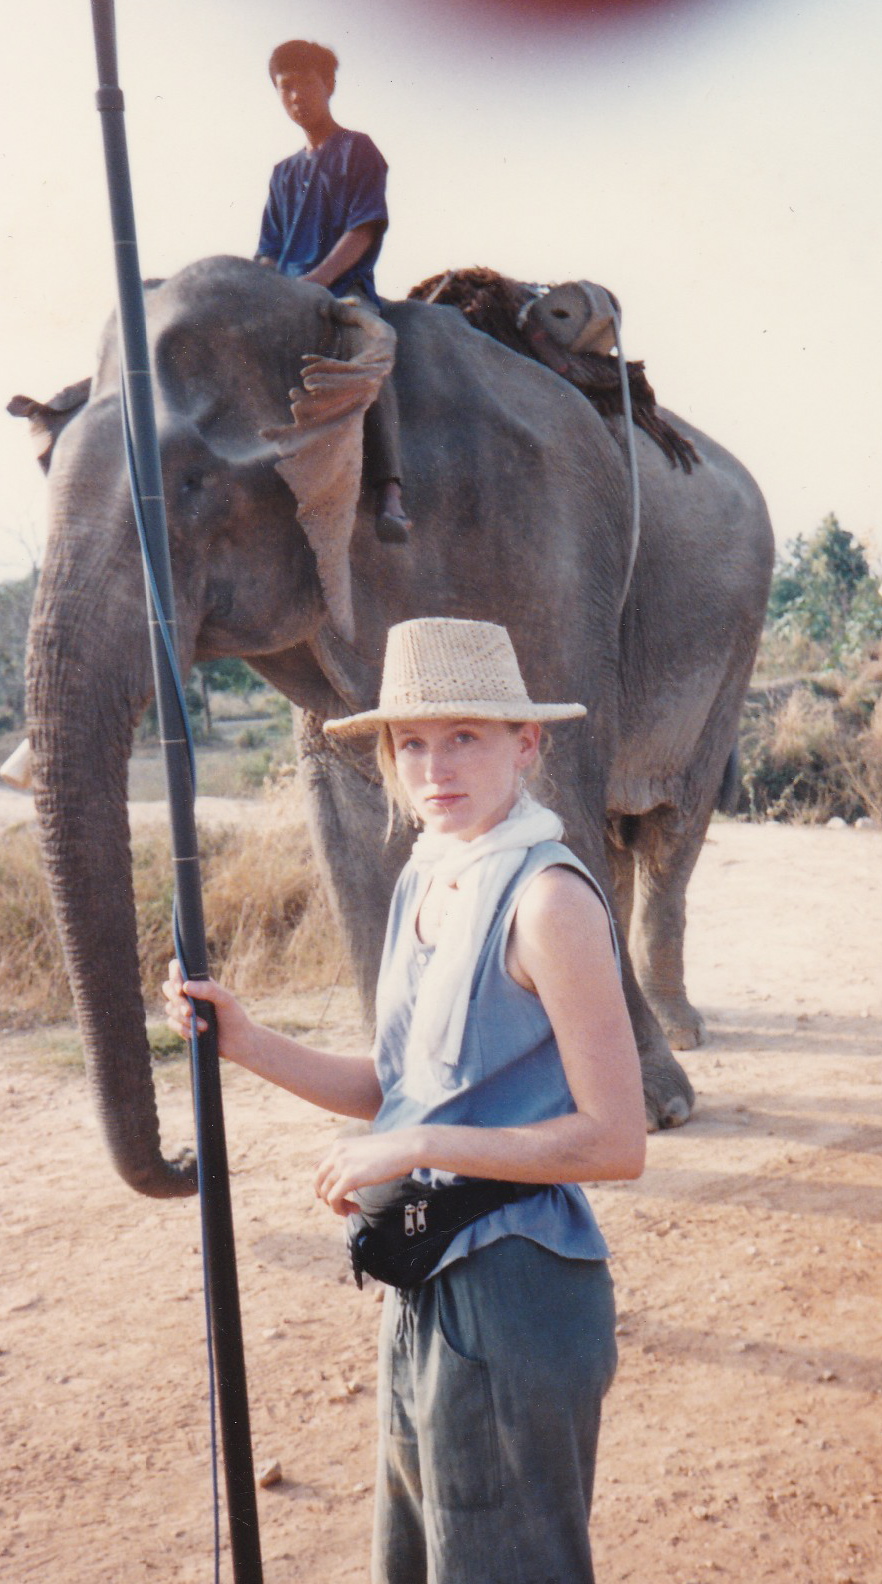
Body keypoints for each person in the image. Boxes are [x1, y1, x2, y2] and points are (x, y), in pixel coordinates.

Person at [163, 616, 646, 1583]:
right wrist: (248, 1042)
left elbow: (615, 1141)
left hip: (516, 1286)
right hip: (422, 1277)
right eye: (411, 742)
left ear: (527, 742)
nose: (436, 767)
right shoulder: (429, 878)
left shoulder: (546, 900)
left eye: (464, 735)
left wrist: (421, 1141)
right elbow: (398, 1089)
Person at [256, 38, 411, 544]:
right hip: (288, 295)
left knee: (369, 352)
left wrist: (314, 284)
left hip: (343, 291)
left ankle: (391, 490)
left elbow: (362, 230)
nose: (296, 96)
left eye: (306, 83)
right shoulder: (282, 174)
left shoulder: (357, 151)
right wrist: (263, 289)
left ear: (330, 85)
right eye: (285, 88)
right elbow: (267, 252)